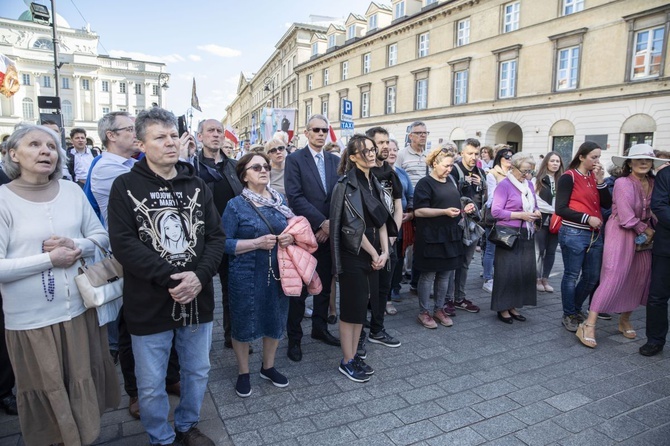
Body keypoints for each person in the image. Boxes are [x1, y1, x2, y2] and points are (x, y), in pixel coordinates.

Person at [108, 108, 225, 446]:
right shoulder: (125, 186)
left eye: (173, 135)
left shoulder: (198, 185)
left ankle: (187, 425)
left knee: (197, 371)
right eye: (160, 137)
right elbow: (124, 244)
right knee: (150, 381)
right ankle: (161, 437)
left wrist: (199, 278)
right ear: (141, 144)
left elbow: (216, 237)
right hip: (149, 302)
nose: (170, 142)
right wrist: (175, 279)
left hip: (197, 299)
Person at [0, 124, 119, 445]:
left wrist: (77, 245)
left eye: (51, 146)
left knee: (82, 383)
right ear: (13, 154)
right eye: (34, 144)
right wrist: (49, 260)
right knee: (48, 388)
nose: (45, 151)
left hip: (80, 311)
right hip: (32, 322)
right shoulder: (2, 200)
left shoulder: (72, 191)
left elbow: (101, 237)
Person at [90, 111, 182, 419]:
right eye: (129, 130)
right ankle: (136, 392)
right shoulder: (108, 169)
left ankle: (169, 378)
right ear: (111, 136)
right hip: (128, 258)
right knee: (131, 328)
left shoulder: (133, 165)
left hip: (162, 255)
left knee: (168, 318)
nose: (134, 134)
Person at [576, 145, 664, 348]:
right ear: (629, 163)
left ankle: (625, 319)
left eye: (647, 160)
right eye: (638, 160)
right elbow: (625, 216)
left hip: (645, 234)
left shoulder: (653, 182)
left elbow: (655, 210)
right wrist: (646, 229)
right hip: (622, 232)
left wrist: (656, 229)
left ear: (652, 164)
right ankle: (588, 325)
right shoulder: (623, 183)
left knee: (640, 277)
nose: (643, 163)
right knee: (613, 276)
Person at [222, 153, 293, 397]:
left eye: (266, 166)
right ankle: (243, 372)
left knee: (275, 319)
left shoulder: (279, 199)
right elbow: (224, 244)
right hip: (246, 274)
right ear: (244, 175)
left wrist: (290, 237)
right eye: (256, 167)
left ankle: (268, 367)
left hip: (278, 272)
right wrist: (256, 243)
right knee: (243, 323)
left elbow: (293, 229)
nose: (263, 170)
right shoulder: (235, 205)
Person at [330, 134, 394, 382]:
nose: (370, 153)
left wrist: (385, 251)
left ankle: (354, 354)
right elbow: (351, 226)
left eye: (372, 148)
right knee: (351, 310)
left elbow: (381, 220)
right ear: (354, 157)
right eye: (365, 150)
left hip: (375, 253)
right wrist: (374, 252)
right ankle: (347, 361)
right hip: (354, 253)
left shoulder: (374, 182)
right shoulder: (345, 185)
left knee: (362, 310)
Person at [284, 114, 341, 362]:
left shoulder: (335, 160)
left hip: (329, 237)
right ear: (306, 132)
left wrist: (330, 226)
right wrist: (322, 223)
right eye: (315, 129)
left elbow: (339, 197)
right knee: (299, 291)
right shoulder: (295, 159)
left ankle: (320, 328)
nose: (320, 133)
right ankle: (294, 339)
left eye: (324, 130)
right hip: (305, 235)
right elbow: (295, 197)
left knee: (325, 286)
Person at [194, 119, 245, 353]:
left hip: (230, 238)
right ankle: (197, 343)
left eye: (219, 131)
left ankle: (232, 336)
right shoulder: (191, 166)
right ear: (200, 136)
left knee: (232, 290)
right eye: (210, 131)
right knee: (200, 291)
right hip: (201, 240)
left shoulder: (234, 166)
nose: (215, 135)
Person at [555, 141, 611, 332]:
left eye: (598, 157)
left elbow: (606, 203)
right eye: (593, 157)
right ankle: (569, 313)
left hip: (594, 234)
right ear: (581, 157)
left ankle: (576, 308)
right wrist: (587, 218)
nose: (597, 161)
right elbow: (560, 209)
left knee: (592, 277)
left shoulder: (594, 177)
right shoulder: (568, 177)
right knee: (571, 275)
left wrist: (601, 180)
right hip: (574, 232)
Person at [413, 148, 467, 328]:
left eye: (451, 165)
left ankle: (439, 309)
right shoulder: (425, 183)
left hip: (450, 234)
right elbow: (419, 211)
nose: (449, 169)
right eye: (446, 165)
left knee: (445, 274)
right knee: (428, 275)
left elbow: (456, 204)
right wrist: (443, 212)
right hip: (430, 236)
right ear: (434, 163)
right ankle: (424, 312)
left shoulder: (451, 180)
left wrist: (464, 210)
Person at [491, 153, 541, 323]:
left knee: (521, 273)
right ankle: (502, 308)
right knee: (507, 272)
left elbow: (534, 203)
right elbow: (496, 212)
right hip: (509, 234)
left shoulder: (529, 185)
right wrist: (521, 215)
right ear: (514, 167)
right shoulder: (504, 185)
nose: (528, 175)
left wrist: (536, 212)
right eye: (525, 171)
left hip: (526, 232)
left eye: (531, 171)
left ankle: (513, 306)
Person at [365, 127, 403, 349]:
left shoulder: (390, 172)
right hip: (367, 240)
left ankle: (377, 329)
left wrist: (392, 235)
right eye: (380, 142)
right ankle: (359, 332)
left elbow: (398, 206)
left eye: (387, 141)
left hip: (389, 240)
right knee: (364, 290)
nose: (386, 146)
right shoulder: (362, 173)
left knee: (382, 288)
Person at [447, 138, 486, 314]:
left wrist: (482, 185)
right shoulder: (454, 170)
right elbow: (448, 194)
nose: (473, 157)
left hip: (473, 224)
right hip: (457, 223)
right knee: (452, 262)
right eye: (470, 153)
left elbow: (485, 198)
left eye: (476, 154)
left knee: (465, 263)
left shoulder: (481, 172)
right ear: (462, 153)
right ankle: (447, 299)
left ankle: (459, 297)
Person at [641, 148, 670, 356]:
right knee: (657, 297)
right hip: (666, 246)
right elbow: (659, 205)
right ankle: (655, 340)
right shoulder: (665, 175)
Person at [482, 146, 513, 293]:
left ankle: (500, 275)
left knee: (505, 248)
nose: (509, 159)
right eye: (506, 157)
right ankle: (488, 278)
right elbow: (491, 198)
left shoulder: (513, 174)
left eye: (511, 157)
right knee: (491, 248)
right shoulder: (492, 173)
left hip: (510, 216)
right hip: (495, 215)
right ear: (499, 158)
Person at [386, 138, 413, 309]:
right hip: (384, 223)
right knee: (387, 258)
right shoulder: (376, 172)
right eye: (388, 149)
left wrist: (409, 213)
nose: (392, 153)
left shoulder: (402, 173)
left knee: (398, 258)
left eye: (395, 149)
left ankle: (394, 289)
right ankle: (384, 296)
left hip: (401, 223)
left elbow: (410, 195)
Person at [534, 151, 564, 293]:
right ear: (546, 162)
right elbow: (536, 200)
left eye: (557, 161)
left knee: (551, 251)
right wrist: (554, 210)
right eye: (552, 161)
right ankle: (537, 278)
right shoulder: (539, 179)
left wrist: (558, 212)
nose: (555, 164)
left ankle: (545, 278)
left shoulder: (563, 180)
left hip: (557, 221)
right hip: (543, 219)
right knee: (539, 251)